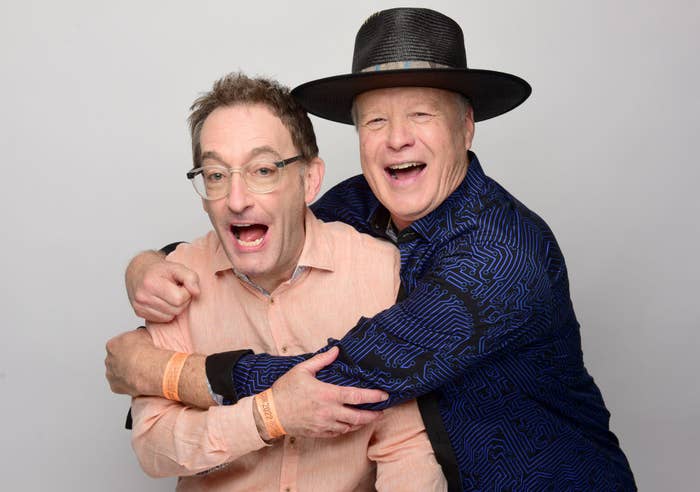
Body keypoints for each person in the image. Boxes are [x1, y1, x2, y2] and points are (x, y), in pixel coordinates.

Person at [109, 8, 636, 491]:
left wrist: (157, 370)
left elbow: (331, 383)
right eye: (376, 121)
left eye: (422, 115)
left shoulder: (502, 254)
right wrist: (153, 264)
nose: (397, 139)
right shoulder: (360, 202)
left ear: (466, 126)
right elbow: (263, 230)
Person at [115, 71, 447, 491]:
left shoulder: (381, 272)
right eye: (216, 175)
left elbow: (405, 448)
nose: (236, 200)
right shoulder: (174, 282)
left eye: (263, 170)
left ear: (309, 180)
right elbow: (154, 447)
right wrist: (267, 416)